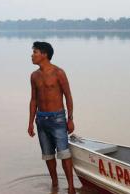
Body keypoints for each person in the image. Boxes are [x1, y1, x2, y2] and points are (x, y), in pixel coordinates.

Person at [28, 41, 76, 194]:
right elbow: (33, 99)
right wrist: (30, 123)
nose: (32, 55)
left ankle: (71, 187)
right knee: (48, 155)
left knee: (64, 153)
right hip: (41, 119)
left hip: (58, 118)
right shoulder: (34, 76)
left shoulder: (58, 73)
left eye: (35, 52)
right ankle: (54, 184)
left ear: (44, 54)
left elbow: (68, 95)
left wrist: (70, 118)